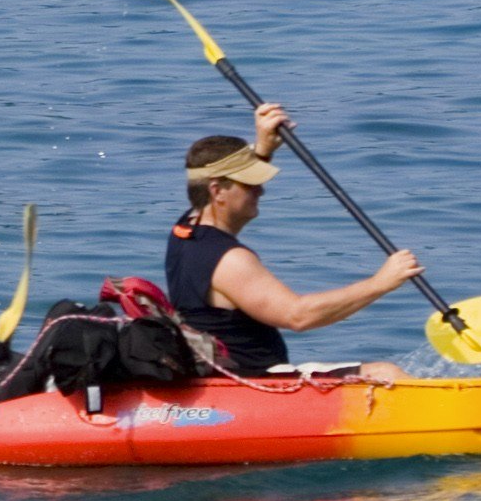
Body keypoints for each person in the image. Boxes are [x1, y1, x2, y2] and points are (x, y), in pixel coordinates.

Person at [166, 106, 418, 380]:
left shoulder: (184, 231)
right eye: (249, 183)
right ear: (218, 191)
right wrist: (380, 283)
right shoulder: (229, 260)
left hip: (232, 374)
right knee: (386, 373)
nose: (260, 189)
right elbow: (298, 316)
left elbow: (211, 188)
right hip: (255, 380)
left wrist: (262, 149)